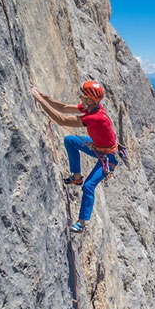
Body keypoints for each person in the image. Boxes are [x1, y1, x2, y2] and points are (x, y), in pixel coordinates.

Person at [30, 80, 119, 233]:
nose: (80, 97)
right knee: (70, 141)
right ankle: (77, 176)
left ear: (90, 100)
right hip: (98, 147)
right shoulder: (91, 108)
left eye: (83, 96)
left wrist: (39, 100)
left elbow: (61, 119)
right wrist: (43, 95)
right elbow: (63, 108)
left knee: (89, 186)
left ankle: (81, 224)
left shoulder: (96, 117)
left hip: (108, 157)